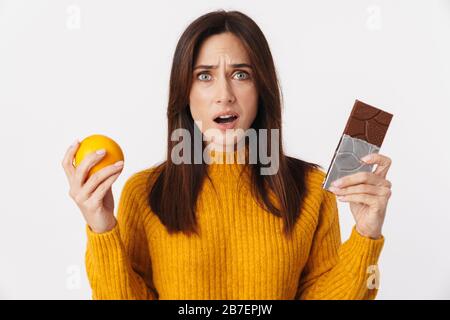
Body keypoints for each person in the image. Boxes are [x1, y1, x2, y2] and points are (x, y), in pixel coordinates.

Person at [61, 10, 392, 300]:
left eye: (240, 75)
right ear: (185, 93)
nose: (224, 95)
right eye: (204, 76)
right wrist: (102, 227)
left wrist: (366, 234)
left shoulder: (311, 189)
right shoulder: (144, 192)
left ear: (261, 89)